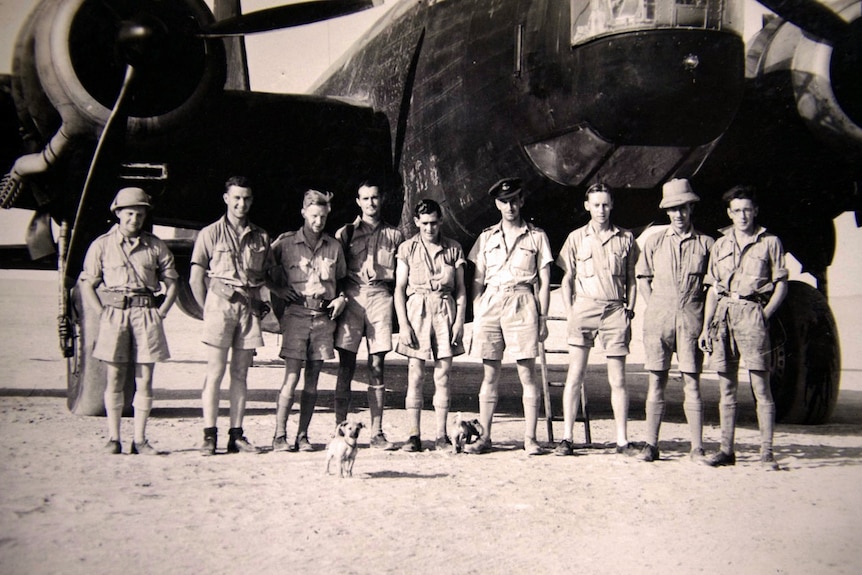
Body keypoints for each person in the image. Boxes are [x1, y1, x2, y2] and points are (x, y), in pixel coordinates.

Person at [79, 187, 178, 454]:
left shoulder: (155, 246)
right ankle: (113, 438)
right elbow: (87, 283)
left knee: (144, 378)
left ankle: (140, 439)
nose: (135, 219)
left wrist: (162, 311)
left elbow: (172, 282)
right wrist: (101, 313)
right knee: (115, 377)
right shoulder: (101, 245)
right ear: (118, 213)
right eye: (130, 213)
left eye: (140, 214)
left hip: (146, 313)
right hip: (115, 314)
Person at [698, 185, 788, 470]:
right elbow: (712, 289)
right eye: (737, 211)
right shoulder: (720, 244)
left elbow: (781, 284)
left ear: (755, 211)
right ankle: (726, 449)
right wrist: (705, 327)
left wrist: (764, 314)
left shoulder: (770, 242)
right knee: (727, 388)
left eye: (747, 210)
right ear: (730, 213)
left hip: (752, 314)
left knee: (761, 387)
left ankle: (767, 453)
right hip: (723, 315)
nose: (742, 216)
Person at [466, 178, 553, 455]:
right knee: (490, 374)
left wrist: (542, 317)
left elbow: (544, 280)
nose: (510, 206)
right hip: (492, 301)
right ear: (497, 204)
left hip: (522, 300)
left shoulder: (536, 236)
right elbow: (477, 279)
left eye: (515, 200)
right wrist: (479, 307)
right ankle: (485, 436)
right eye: (504, 201)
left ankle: (530, 438)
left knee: (527, 374)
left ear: (522, 201)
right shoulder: (486, 237)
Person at [190, 176, 273, 455]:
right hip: (219, 306)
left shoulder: (261, 236)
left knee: (240, 373)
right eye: (236, 197)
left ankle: (236, 435)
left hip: (248, 309)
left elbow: (267, 278)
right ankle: (208, 434)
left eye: (246, 198)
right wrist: (207, 311)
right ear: (226, 198)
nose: (241, 203)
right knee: (215, 372)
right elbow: (195, 278)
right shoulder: (210, 233)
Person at [554, 183, 639, 457]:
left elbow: (631, 280)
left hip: (615, 311)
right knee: (575, 375)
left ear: (611, 205)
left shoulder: (625, 238)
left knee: (618, 379)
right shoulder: (576, 238)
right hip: (585, 309)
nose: (601, 210)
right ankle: (567, 438)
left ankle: (622, 441)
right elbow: (567, 279)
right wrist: (571, 312)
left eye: (605, 204)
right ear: (587, 206)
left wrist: (630, 310)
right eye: (596, 204)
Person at [634, 179, 714, 462]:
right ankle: (651, 444)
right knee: (657, 381)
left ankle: (697, 447)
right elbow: (643, 278)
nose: (678, 215)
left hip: (691, 318)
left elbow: (711, 288)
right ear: (666, 212)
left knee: (691, 382)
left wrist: (705, 323)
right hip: (660, 318)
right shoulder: (655, 242)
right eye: (672, 209)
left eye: (682, 208)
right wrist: (654, 305)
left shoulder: (707, 244)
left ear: (691, 208)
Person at [268, 189, 347, 452]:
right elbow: (262, 270)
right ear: (303, 213)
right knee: (291, 377)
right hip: (297, 315)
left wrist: (341, 298)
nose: (318, 222)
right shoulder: (285, 244)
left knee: (312, 381)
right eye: (314, 216)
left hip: (323, 318)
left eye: (323, 216)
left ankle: (302, 436)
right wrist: (277, 290)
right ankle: (280, 435)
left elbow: (344, 280)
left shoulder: (334, 247)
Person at [333, 181, 403, 450]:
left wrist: (384, 275)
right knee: (346, 366)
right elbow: (336, 273)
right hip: (352, 299)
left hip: (380, 299)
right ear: (358, 201)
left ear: (381, 199)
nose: (371, 203)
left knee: (377, 367)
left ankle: (377, 432)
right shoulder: (346, 233)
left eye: (375, 197)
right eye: (365, 198)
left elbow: (400, 275)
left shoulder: (395, 235)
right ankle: (340, 429)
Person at [394, 199, 467, 452]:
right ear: (416, 222)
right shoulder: (407, 249)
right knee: (415, 375)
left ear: (441, 221)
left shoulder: (453, 249)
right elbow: (399, 290)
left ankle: (440, 435)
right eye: (424, 223)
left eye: (434, 223)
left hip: (445, 312)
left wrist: (460, 322)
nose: (429, 228)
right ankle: (413, 435)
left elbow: (460, 291)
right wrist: (403, 324)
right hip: (417, 313)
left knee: (442, 376)